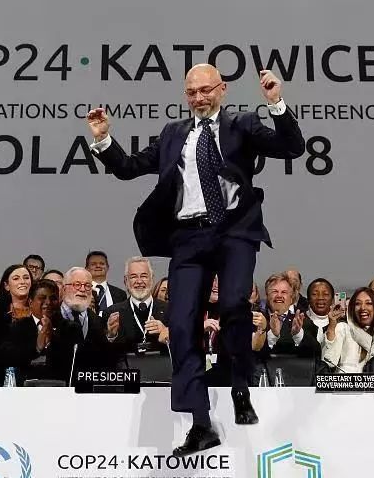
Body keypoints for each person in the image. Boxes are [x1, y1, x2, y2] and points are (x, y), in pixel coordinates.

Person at [87, 63, 304, 455]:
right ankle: (201, 423)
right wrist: (103, 139)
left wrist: (276, 103)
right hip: (188, 238)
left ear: (222, 89)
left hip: (234, 231)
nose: (199, 98)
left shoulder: (242, 125)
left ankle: (240, 385)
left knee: (235, 303)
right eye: (191, 92)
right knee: (182, 327)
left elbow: (291, 148)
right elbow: (129, 168)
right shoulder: (174, 133)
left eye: (206, 90)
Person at [47, 267, 115, 382]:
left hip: (88, 386)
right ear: (64, 288)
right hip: (55, 385)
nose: (83, 289)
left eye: (87, 286)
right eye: (77, 285)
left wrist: (111, 337)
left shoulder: (98, 322)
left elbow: (106, 360)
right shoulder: (50, 316)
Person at [103, 257, 170, 357]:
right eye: (133, 277)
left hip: (163, 366)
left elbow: (183, 347)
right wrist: (111, 336)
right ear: (126, 281)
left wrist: (167, 333)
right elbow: (105, 356)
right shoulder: (112, 313)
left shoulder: (170, 310)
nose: (139, 281)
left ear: (152, 279)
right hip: (126, 367)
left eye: (144, 276)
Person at [0, 279, 58, 383]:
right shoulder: (16, 328)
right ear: (30, 302)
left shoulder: (70, 328)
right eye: (42, 298)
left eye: (53, 298)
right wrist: (37, 348)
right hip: (24, 387)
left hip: (60, 387)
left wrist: (54, 338)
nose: (48, 302)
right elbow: (6, 359)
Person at [322, 287, 374, 373]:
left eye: (369, 303)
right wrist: (332, 327)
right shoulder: (344, 329)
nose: (363, 308)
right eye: (357, 304)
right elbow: (328, 362)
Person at [264, 273, 315, 356]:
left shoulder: (304, 323)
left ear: (291, 299)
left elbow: (315, 352)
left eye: (284, 292)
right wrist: (272, 335)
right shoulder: (255, 321)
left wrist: (297, 335)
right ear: (267, 296)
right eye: (274, 291)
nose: (279, 295)